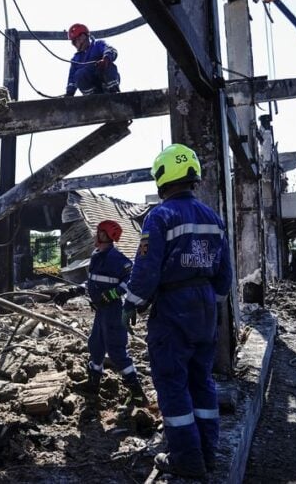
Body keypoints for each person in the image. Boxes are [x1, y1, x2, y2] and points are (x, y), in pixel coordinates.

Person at [121, 144, 233, 478]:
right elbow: (225, 276)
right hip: (205, 309)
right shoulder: (213, 218)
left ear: (162, 176)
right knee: (202, 383)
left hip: (172, 309)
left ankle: (186, 460)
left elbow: (146, 271)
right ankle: (208, 453)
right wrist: (209, 305)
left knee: (172, 384)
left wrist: (130, 305)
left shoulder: (161, 216)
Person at [78, 220, 148, 407]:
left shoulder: (117, 258)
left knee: (116, 350)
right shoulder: (96, 256)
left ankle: (138, 394)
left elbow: (131, 280)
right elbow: (90, 282)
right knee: (96, 345)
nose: (95, 234)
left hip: (113, 311)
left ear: (105, 235)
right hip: (101, 311)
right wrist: (71, 292)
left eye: (98, 232)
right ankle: (93, 385)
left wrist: (111, 294)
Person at [64, 23, 120, 97]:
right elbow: (72, 78)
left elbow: (110, 50)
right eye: (74, 42)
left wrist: (106, 59)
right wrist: (69, 93)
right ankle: (92, 97)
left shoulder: (98, 45)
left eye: (76, 40)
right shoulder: (76, 59)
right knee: (79, 74)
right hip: (92, 90)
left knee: (107, 66)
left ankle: (113, 92)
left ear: (84, 37)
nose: (75, 44)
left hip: (105, 82)